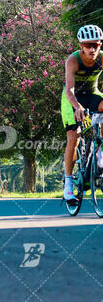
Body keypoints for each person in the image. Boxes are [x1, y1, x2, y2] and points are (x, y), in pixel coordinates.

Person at [61, 24, 103, 200]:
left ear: (100, 44)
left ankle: (100, 152)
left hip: (92, 93)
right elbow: (69, 90)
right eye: (87, 45)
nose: (92, 48)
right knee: (74, 137)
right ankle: (68, 183)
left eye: (96, 44)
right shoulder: (73, 60)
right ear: (81, 45)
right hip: (72, 98)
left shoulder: (101, 58)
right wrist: (77, 107)